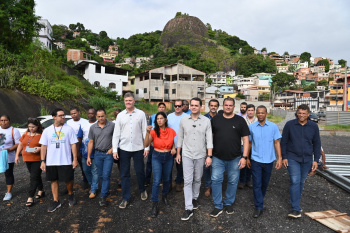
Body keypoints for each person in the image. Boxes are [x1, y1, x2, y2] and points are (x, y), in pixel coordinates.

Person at [210, 97, 250, 218]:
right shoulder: (215, 119)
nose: (228, 107)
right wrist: (209, 155)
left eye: (230, 105)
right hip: (217, 157)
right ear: (223, 106)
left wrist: (244, 157)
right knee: (216, 180)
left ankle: (228, 203)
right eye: (226, 105)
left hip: (235, 157)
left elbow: (246, 140)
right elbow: (210, 138)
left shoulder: (240, 120)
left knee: (233, 181)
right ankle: (218, 205)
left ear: (234, 107)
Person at [281, 104, 321, 218]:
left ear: (308, 114)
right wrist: (284, 157)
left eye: (304, 113)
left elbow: (317, 144)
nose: (301, 115)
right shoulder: (290, 125)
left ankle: (296, 202)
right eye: (299, 113)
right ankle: (295, 208)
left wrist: (316, 160)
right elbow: (283, 142)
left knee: (301, 182)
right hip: (292, 157)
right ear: (296, 113)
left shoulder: (313, 126)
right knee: (295, 181)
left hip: (307, 159)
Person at [176, 97, 213, 221]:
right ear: (189, 106)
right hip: (186, 154)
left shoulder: (207, 121)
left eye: (196, 105)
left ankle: (194, 198)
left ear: (201, 107)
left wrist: (209, 156)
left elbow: (209, 140)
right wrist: (178, 154)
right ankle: (188, 208)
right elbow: (180, 138)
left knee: (197, 179)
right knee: (187, 180)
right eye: (192, 105)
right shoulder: (184, 120)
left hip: (201, 155)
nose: (194, 107)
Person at [113, 92, 149, 209]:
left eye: (130, 100)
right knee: (124, 174)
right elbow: (116, 134)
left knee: (140, 171)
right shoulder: (120, 116)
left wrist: (147, 147)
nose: (128, 102)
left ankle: (142, 190)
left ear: (134, 101)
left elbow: (145, 131)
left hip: (138, 148)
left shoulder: (141, 114)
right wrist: (114, 150)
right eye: (126, 100)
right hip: (124, 148)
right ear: (124, 102)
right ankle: (125, 197)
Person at [40, 108, 78, 212]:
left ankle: (70, 194)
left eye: (63, 115)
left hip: (65, 160)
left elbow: (73, 145)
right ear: (54, 117)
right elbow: (43, 147)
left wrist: (74, 159)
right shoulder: (47, 130)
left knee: (68, 179)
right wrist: (42, 161)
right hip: (51, 161)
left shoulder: (69, 129)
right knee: (53, 180)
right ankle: (56, 201)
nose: (63, 117)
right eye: (61, 115)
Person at [247, 105, 282, 218]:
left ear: (266, 114)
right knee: (256, 183)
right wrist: (247, 157)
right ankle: (259, 206)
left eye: (262, 113)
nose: (260, 115)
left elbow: (276, 143)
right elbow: (250, 143)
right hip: (255, 160)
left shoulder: (273, 127)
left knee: (265, 183)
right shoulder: (251, 127)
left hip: (268, 160)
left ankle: (259, 200)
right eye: (259, 113)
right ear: (256, 114)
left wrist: (280, 158)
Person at [144, 112, 176, 218]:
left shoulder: (171, 131)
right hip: (157, 156)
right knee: (157, 181)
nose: (159, 120)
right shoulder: (153, 131)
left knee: (167, 179)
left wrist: (173, 148)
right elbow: (146, 144)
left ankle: (165, 196)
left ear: (165, 120)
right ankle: (155, 203)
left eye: (161, 118)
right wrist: (147, 133)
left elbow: (173, 142)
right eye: (157, 119)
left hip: (168, 157)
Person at [87, 109, 115, 207]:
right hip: (98, 153)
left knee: (106, 175)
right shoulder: (93, 127)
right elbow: (91, 142)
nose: (100, 118)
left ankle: (103, 197)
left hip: (108, 154)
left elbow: (117, 138)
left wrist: (113, 148)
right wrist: (88, 156)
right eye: (98, 116)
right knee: (101, 175)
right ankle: (105, 191)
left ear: (105, 115)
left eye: (102, 116)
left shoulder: (112, 125)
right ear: (96, 116)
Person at [15, 118, 44, 206]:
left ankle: (30, 197)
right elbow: (20, 144)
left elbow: (45, 146)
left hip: (37, 159)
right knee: (35, 176)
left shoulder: (41, 134)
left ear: (37, 126)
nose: (31, 129)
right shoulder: (25, 133)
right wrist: (17, 155)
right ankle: (41, 190)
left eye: (33, 127)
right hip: (27, 158)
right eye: (29, 127)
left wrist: (39, 148)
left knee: (33, 177)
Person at [67, 107, 89, 189]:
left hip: (82, 147)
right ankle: (69, 185)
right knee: (70, 168)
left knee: (84, 166)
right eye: (72, 114)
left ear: (79, 112)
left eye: (75, 113)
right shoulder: (68, 123)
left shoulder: (85, 122)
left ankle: (86, 181)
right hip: (70, 148)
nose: (73, 115)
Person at [145, 102, 166, 186]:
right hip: (153, 143)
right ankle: (147, 180)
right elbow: (149, 128)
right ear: (158, 108)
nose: (161, 108)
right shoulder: (153, 117)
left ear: (165, 109)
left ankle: (160, 180)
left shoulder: (166, 118)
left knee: (161, 163)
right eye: (160, 107)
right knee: (149, 162)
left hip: (162, 144)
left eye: (163, 107)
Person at [167, 100, 187, 192]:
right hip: (170, 145)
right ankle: (169, 183)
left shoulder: (187, 117)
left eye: (179, 106)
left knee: (180, 166)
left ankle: (179, 182)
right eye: (175, 106)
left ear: (183, 106)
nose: (177, 107)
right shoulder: (169, 117)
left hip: (183, 146)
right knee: (168, 166)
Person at [0, 115, 20, 201]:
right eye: (1, 120)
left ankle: (8, 192)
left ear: (9, 121)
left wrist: (9, 149)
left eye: (5, 120)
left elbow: (18, 144)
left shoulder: (14, 130)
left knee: (8, 174)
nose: (3, 122)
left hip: (8, 156)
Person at [81, 107, 99, 199]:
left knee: (94, 170)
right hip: (85, 151)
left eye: (92, 113)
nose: (90, 115)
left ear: (95, 114)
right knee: (85, 170)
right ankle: (93, 185)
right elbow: (80, 137)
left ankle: (93, 189)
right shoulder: (83, 124)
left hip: (96, 151)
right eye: (89, 113)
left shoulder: (98, 123)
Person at [203, 99, 219, 197]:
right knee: (206, 167)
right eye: (211, 105)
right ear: (209, 106)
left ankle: (215, 186)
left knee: (216, 167)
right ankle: (208, 186)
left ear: (218, 107)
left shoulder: (221, 117)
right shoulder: (204, 118)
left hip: (218, 146)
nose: (213, 107)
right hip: (205, 146)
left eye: (215, 106)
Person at [238, 104, 257, 189]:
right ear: (246, 111)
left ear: (254, 111)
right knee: (243, 163)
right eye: (248, 110)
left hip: (254, 145)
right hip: (243, 144)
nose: (250, 112)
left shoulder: (257, 120)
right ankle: (242, 181)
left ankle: (248, 181)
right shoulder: (242, 120)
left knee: (251, 164)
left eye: (252, 110)